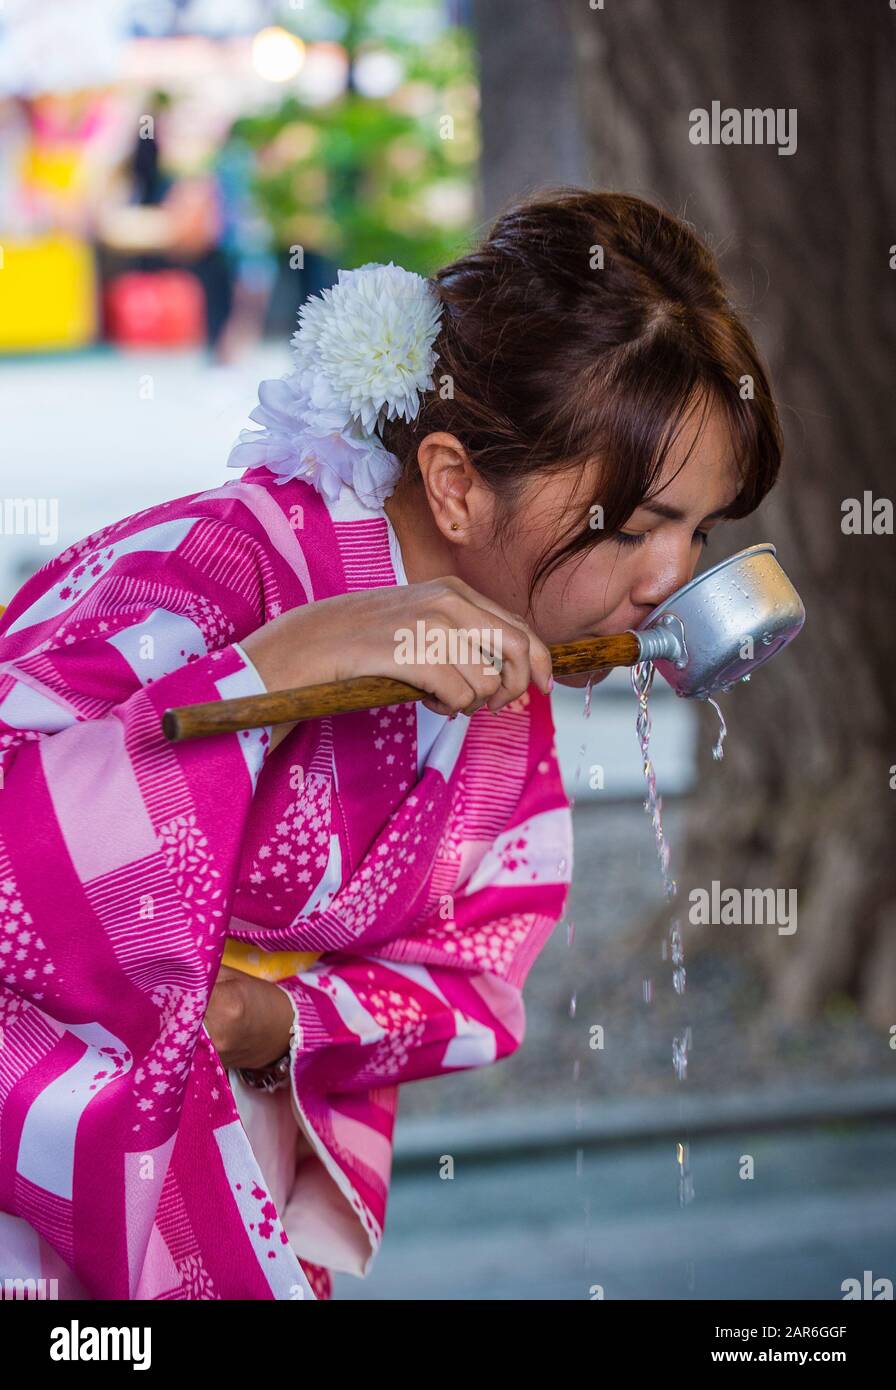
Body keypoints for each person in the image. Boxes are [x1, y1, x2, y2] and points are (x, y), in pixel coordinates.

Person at [0, 188, 781, 1301]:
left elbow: (472, 967)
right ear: (456, 483)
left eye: (696, 530)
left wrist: (271, 1014)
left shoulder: (500, 665)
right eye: (632, 526)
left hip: (221, 1158)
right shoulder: (211, 569)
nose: (667, 579)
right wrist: (269, 667)